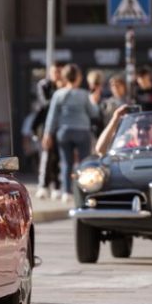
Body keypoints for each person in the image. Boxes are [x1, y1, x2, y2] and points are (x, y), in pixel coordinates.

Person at [43, 64, 100, 201]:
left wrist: (47, 134)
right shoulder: (84, 94)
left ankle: (66, 192)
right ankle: (83, 191)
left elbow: (52, 116)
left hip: (64, 131)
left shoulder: (58, 94)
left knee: (66, 163)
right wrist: (95, 101)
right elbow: (94, 113)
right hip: (82, 131)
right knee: (84, 163)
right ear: (78, 78)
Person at [35, 63, 66, 199]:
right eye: (55, 71)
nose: (57, 75)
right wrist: (58, 93)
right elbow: (45, 103)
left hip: (61, 126)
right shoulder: (44, 85)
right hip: (45, 125)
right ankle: (43, 185)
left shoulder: (65, 86)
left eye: (59, 72)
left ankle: (57, 186)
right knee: (47, 155)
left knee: (58, 156)